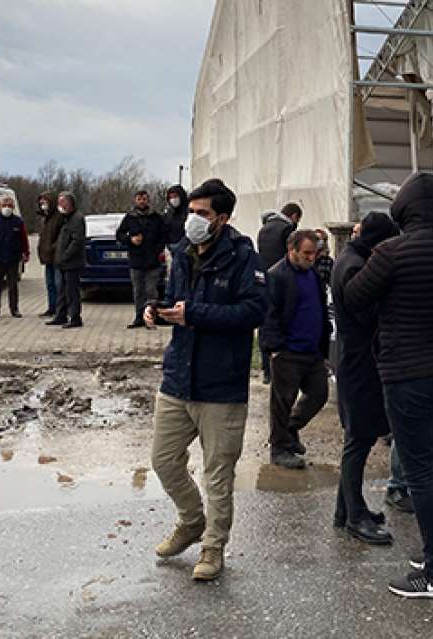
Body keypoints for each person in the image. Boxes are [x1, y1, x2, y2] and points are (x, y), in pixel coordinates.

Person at [344, 172, 433, 601]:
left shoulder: (390, 253)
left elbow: (354, 296)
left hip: (407, 373)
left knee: (418, 472)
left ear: (402, 208)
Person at [144, 178, 267, 582]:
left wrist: (194, 314)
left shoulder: (244, 257)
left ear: (222, 218)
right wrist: (155, 308)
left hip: (222, 384)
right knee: (163, 460)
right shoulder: (181, 253)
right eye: (191, 212)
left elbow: (253, 312)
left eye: (202, 214)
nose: (193, 220)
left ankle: (213, 547)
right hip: (179, 377)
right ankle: (191, 520)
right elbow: (173, 297)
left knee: (218, 473)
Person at [332, 211, 400, 546]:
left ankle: (345, 508)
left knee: (357, 436)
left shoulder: (351, 257)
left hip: (354, 358)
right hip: (359, 361)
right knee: (358, 439)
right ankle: (354, 514)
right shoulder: (356, 267)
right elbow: (366, 313)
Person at [260, 229, 332, 470]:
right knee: (283, 400)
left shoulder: (312, 275)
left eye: (314, 253)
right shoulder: (277, 275)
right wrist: (275, 347)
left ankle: (290, 429)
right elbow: (268, 315)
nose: (312, 257)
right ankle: (279, 447)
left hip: (312, 350)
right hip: (288, 351)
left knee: (318, 393)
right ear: (292, 251)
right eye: (307, 253)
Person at [256, 202, 302, 384]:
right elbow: (291, 256)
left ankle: (266, 369)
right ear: (294, 216)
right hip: (283, 281)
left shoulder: (264, 229)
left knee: (265, 324)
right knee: (282, 323)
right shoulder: (287, 229)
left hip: (264, 280)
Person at [118, 190, 167, 328]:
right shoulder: (130, 217)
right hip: (136, 259)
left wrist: (157, 250)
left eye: (144, 199)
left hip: (152, 260)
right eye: (139, 199)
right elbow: (119, 234)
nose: (142, 201)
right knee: (138, 291)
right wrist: (130, 240)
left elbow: (163, 236)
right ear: (135, 200)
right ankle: (139, 317)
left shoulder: (155, 217)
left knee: (151, 291)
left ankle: (150, 317)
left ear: (148, 200)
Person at [0, 194, 30, 319]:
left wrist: (26, 253)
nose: (7, 207)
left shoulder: (18, 222)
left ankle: (14, 309)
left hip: (13, 258)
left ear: (13, 206)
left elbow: (23, 239)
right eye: (4, 205)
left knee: (13, 286)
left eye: (9, 205)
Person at [46, 192, 85, 329]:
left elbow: (77, 241)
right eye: (59, 202)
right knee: (61, 291)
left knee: (72, 292)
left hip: (72, 263)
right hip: (62, 263)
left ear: (70, 203)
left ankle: (75, 318)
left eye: (62, 202)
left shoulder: (77, 218)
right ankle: (60, 315)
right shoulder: (65, 218)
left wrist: (65, 256)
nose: (60, 205)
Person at [35, 191, 64, 318]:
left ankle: (61, 308)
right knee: (50, 284)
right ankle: (51, 307)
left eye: (45, 202)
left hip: (57, 257)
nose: (43, 205)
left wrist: (53, 248)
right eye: (41, 202)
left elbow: (61, 237)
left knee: (59, 284)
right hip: (47, 258)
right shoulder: (45, 218)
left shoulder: (59, 217)